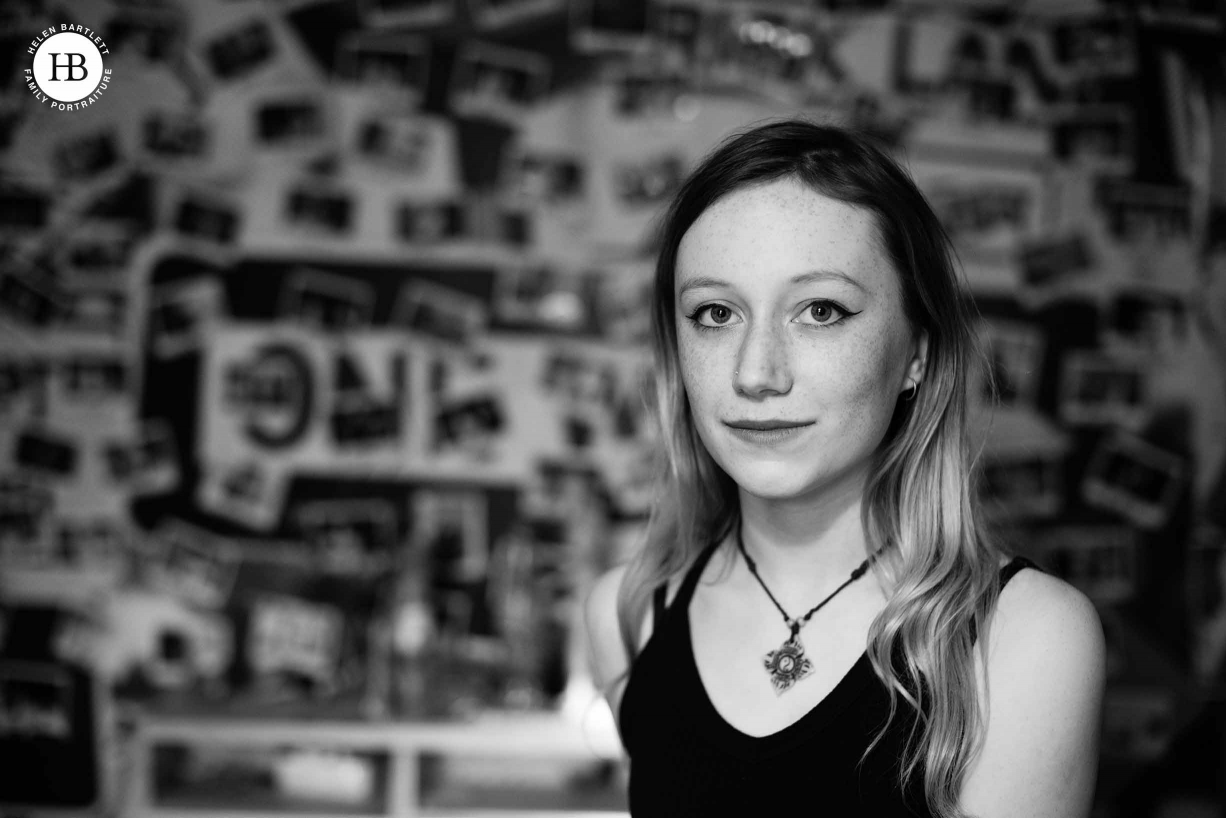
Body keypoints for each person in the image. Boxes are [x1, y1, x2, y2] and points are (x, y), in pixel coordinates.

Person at [584, 120, 1106, 817]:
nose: (756, 373)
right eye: (714, 313)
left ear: (916, 352)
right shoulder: (628, 617)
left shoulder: (1025, 636)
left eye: (821, 311)